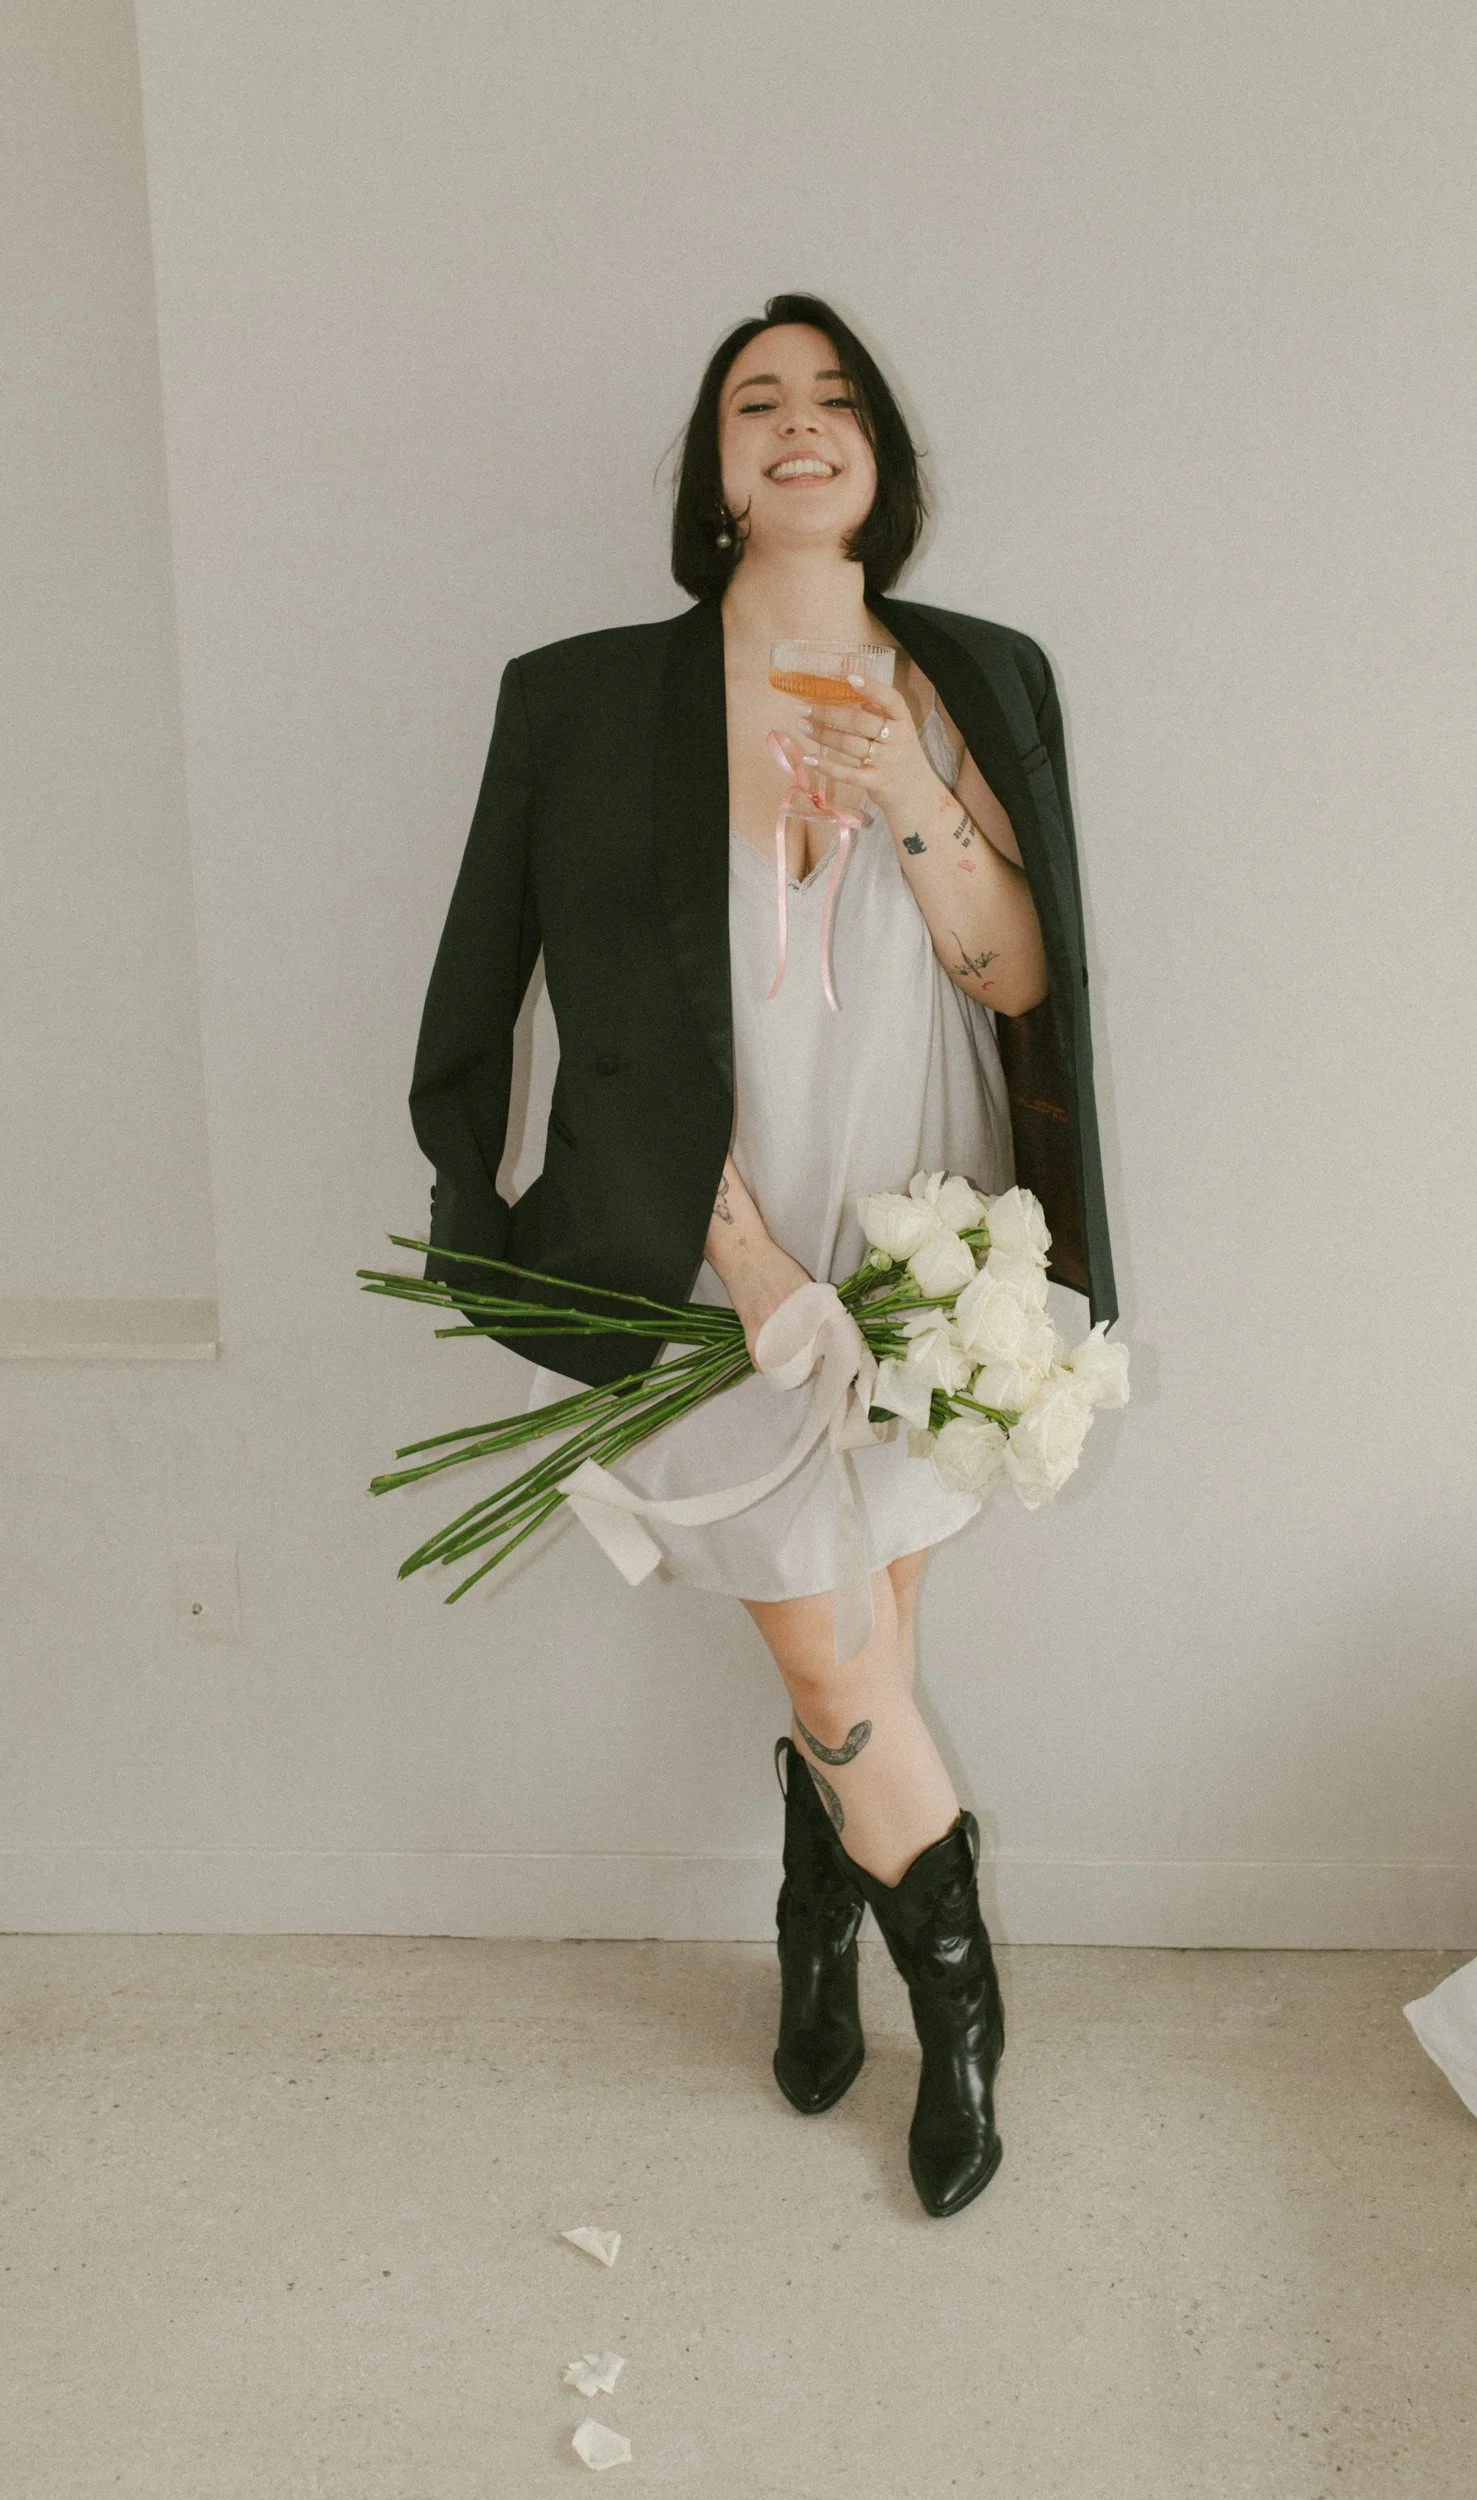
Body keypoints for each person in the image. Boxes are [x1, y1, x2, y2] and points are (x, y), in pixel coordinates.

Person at [409, 292, 1117, 2219]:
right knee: (838, 1662)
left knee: (864, 1628)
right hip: (711, 1252)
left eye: (831, 400)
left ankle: (823, 1922)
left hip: (916, 1225)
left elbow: (1020, 983)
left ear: (882, 451)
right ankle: (959, 2014)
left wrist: (909, 805)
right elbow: (528, 993)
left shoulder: (978, 679)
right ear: (715, 468)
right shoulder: (578, 697)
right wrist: (728, 1261)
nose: (796, 428)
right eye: (753, 403)